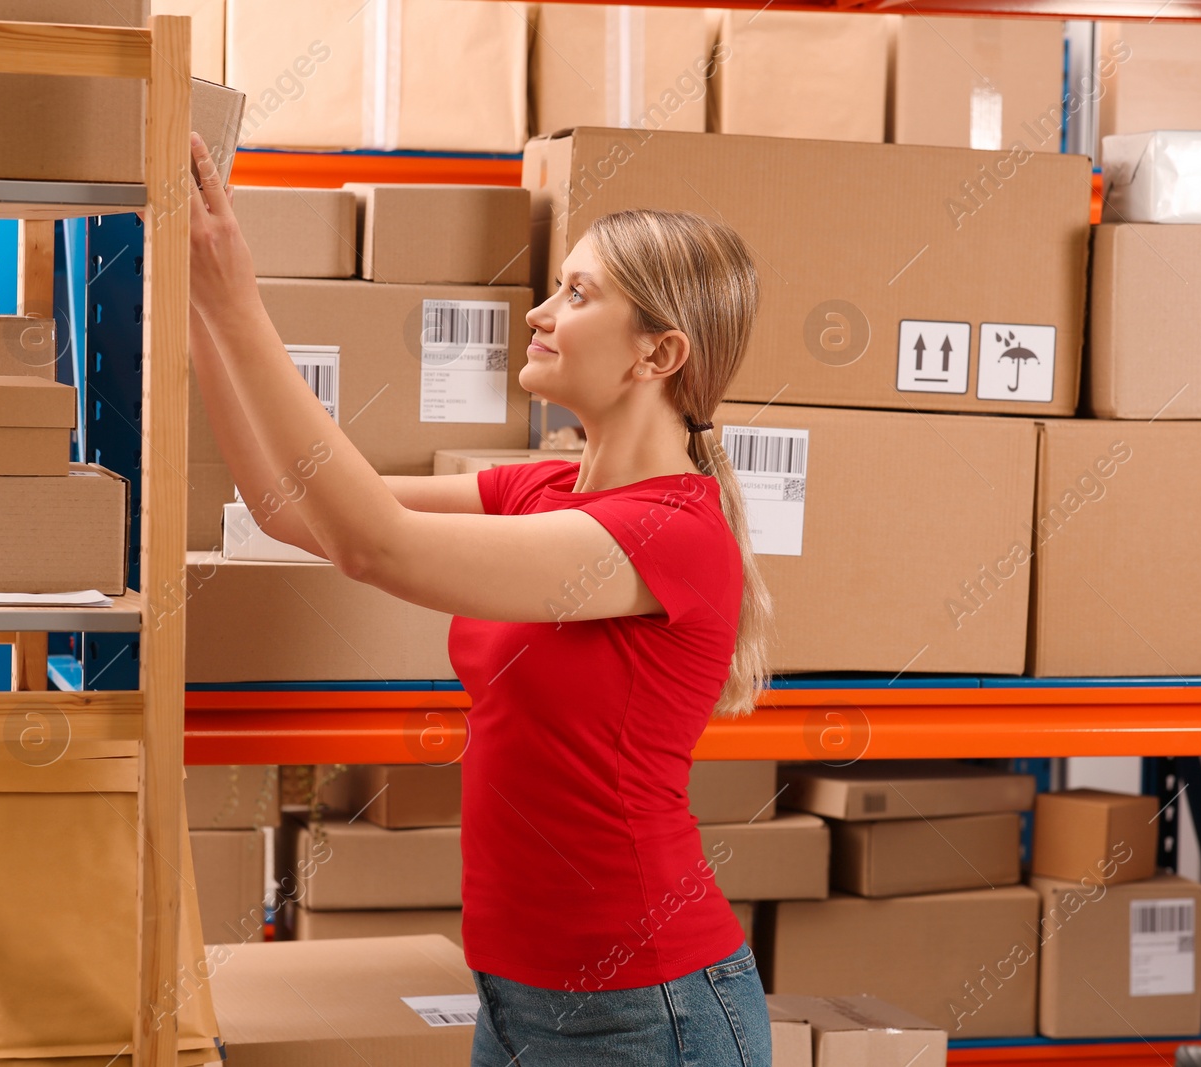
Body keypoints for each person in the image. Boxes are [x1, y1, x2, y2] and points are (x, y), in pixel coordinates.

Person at [186, 133, 775, 1066]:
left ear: (658, 352)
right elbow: (290, 507)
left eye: (578, 295)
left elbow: (375, 543)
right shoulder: (541, 490)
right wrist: (200, 312)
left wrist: (240, 301)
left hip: (641, 1005)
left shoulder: (673, 532)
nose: (540, 313)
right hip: (513, 992)